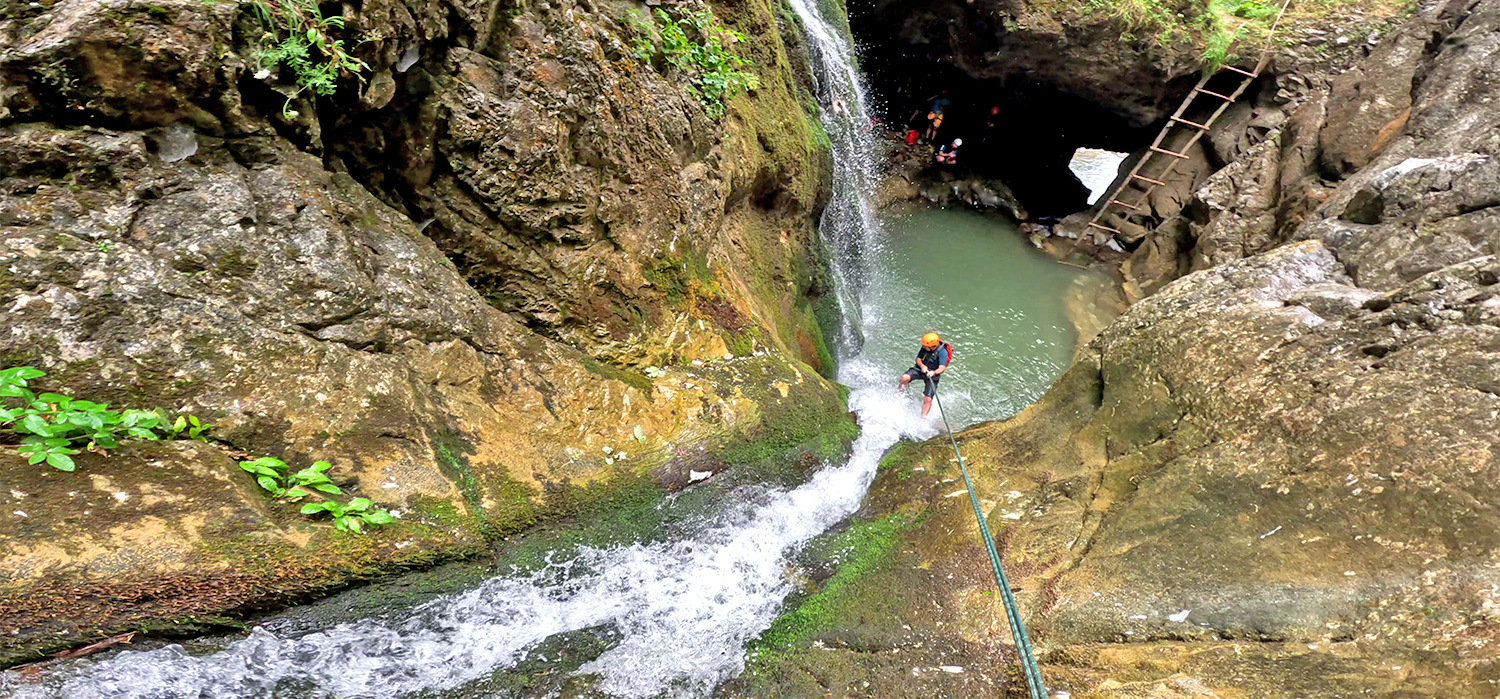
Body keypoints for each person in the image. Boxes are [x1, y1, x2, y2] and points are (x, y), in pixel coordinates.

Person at [898, 332, 950, 417]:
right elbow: (918, 359)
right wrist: (922, 366)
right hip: (921, 369)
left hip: (933, 374)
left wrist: (934, 372)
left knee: (928, 399)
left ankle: (923, 418)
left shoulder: (942, 352)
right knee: (904, 378)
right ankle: (899, 396)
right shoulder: (925, 347)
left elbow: (942, 368)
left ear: (932, 346)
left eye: (925, 346)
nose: (923, 347)